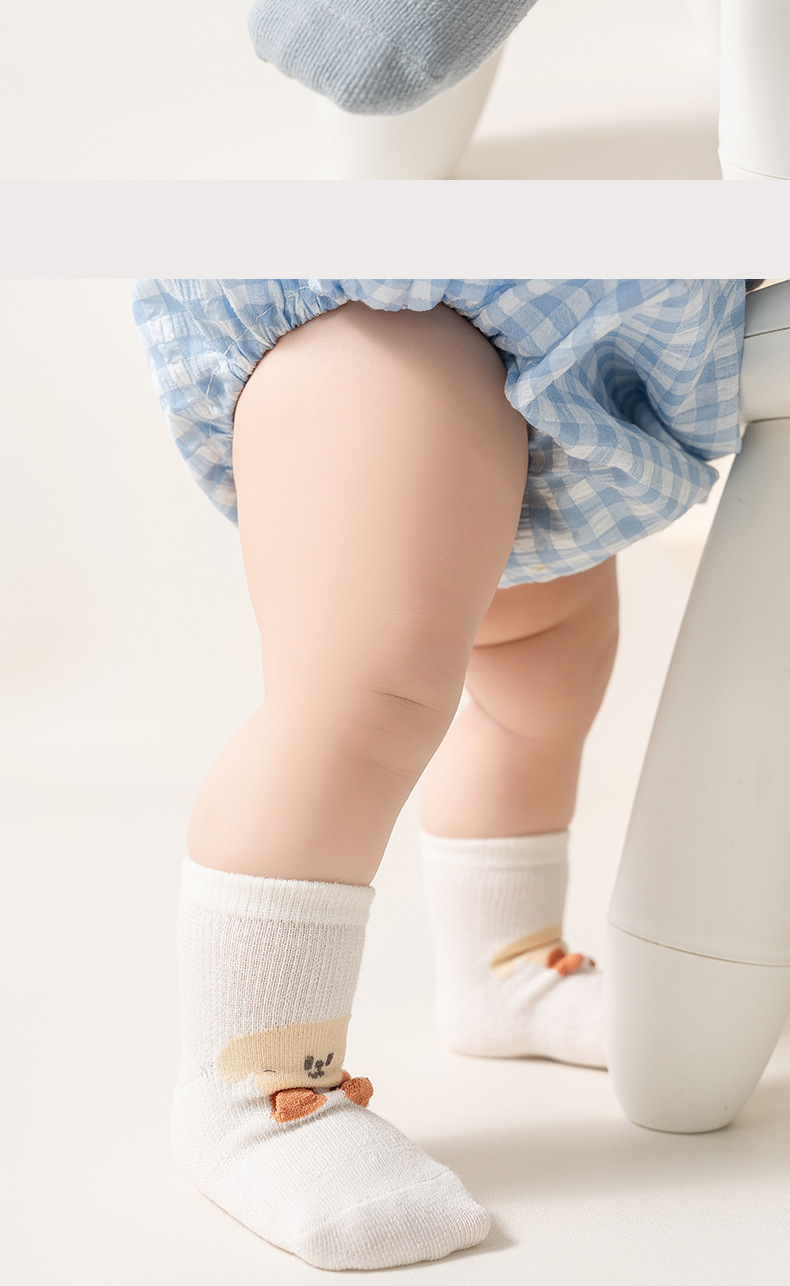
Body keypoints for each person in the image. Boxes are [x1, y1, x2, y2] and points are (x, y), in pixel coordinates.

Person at [133, 279, 745, 1271]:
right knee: (361, 693)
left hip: (578, 355)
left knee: (543, 674)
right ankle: (255, 1084)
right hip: (397, 300)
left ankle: (505, 965)